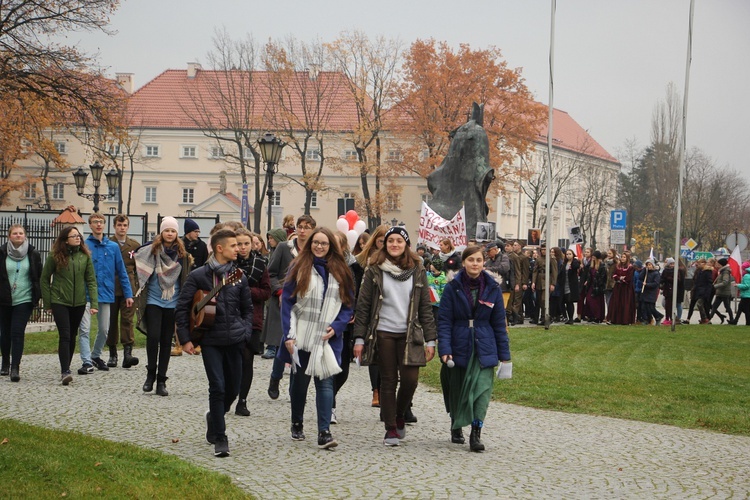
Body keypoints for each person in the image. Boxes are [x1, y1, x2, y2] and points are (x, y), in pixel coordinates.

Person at [353, 226, 437, 447]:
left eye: (399, 241)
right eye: (391, 241)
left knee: (410, 381)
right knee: (388, 381)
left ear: (406, 244)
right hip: (383, 332)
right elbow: (363, 307)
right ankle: (390, 428)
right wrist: (359, 338)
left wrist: (431, 339)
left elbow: (425, 307)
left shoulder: (417, 269)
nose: (394, 245)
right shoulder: (374, 269)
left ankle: (399, 413)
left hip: (410, 333)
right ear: (384, 244)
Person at [176, 229, 253, 457]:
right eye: (233, 246)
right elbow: (182, 308)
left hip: (236, 340)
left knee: (234, 388)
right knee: (217, 387)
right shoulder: (198, 275)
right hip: (211, 341)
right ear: (220, 248)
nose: (238, 249)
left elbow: (248, 309)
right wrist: (185, 339)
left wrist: (245, 331)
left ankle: (214, 416)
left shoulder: (239, 275)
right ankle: (221, 437)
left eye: (239, 246)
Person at [278, 227, 355, 449]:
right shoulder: (298, 266)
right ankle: (297, 422)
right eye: (316, 243)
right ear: (310, 244)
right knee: (299, 385)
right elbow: (288, 304)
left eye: (324, 243)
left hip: (327, 337)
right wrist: (289, 335)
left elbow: (348, 305)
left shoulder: (341, 271)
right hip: (302, 333)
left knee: (325, 383)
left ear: (331, 246)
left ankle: (324, 432)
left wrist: (337, 326)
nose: (319, 247)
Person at [437, 245, 511, 452]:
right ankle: (456, 424)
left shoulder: (492, 288)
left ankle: (476, 433)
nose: (475, 264)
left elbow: (498, 324)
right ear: (464, 263)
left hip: (484, 344)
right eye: (471, 260)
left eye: (479, 260)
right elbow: (444, 320)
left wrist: (505, 356)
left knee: (482, 391)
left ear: (484, 262)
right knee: (458, 389)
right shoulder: (453, 287)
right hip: (459, 342)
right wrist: (445, 348)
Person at [134, 216, 192, 396]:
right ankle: (150, 374)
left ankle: (161, 380)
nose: (170, 233)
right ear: (161, 232)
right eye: (167, 230)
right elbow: (136, 256)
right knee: (153, 337)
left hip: (172, 301)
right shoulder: (152, 250)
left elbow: (186, 279)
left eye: (173, 231)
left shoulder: (182, 256)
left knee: (166, 341)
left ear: (177, 234)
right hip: (153, 299)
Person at [77, 213, 134, 374]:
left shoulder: (113, 247)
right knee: (85, 329)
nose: (98, 225)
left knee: (104, 329)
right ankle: (86, 361)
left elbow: (122, 271)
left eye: (101, 222)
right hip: (87, 294)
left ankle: (95, 355)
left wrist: (128, 294)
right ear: (90, 225)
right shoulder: (85, 245)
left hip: (106, 292)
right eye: (95, 222)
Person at [266, 216, 316, 399]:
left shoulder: (315, 249)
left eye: (307, 227)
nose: (302, 231)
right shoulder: (284, 248)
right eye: (300, 227)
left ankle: (294, 386)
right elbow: (270, 273)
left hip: (306, 303)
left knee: (300, 343)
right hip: (284, 301)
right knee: (285, 340)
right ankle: (275, 376)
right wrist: (279, 292)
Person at [41, 226, 98, 385]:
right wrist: (48, 303)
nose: (78, 238)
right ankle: (65, 370)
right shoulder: (55, 256)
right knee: (65, 334)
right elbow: (44, 279)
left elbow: (91, 281)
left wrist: (93, 303)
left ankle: (67, 366)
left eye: (78, 235)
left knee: (72, 334)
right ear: (66, 239)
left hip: (79, 302)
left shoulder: (84, 256)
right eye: (74, 236)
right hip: (60, 301)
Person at [233, 228, 271, 417]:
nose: (242, 248)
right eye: (239, 244)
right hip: (230, 317)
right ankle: (229, 393)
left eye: (246, 243)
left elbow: (266, 292)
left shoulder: (260, 264)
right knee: (232, 360)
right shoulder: (229, 264)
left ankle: (242, 400)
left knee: (247, 360)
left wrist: (247, 290)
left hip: (252, 318)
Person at [0, 224, 42, 382]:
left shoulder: (33, 253)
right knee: (5, 333)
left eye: (21, 233)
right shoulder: (2, 252)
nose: (18, 235)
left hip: (24, 299)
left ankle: (15, 367)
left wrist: (37, 295)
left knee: (17, 332)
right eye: (15, 233)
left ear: (25, 236)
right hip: (4, 299)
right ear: (9, 236)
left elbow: (38, 274)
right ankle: (5, 362)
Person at [331, 230, 364, 425]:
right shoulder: (322, 265)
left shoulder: (354, 267)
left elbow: (359, 292)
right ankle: (329, 405)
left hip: (348, 321)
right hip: (327, 322)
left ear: (344, 246)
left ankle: (329, 395)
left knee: (343, 369)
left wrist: (354, 311)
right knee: (328, 369)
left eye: (337, 244)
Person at [355, 224, 388, 408]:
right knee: (374, 353)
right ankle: (376, 390)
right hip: (371, 311)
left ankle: (386, 390)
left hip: (388, 313)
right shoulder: (365, 262)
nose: (384, 244)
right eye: (382, 241)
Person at [107, 214, 141, 369]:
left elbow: (138, 267)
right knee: (111, 321)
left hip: (129, 287)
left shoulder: (134, 245)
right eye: (119, 225)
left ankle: (128, 352)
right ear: (114, 226)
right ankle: (112, 353)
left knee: (128, 320)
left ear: (128, 227)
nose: (122, 228)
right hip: (111, 287)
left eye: (125, 225)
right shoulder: (108, 243)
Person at [260, 227, 288, 359]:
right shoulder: (273, 252)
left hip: (287, 291)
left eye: (272, 238)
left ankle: (276, 349)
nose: (269, 240)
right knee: (273, 322)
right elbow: (271, 273)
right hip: (277, 291)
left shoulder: (283, 249)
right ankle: (271, 347)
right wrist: (278, 289)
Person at [606, 252, 636, 325]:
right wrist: (619, 278)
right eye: (622, 257)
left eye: (624, 257)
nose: (622, 258)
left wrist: (622, 279)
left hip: (626, 288)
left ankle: (625, 320)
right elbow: (615, 275)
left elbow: (628, 277)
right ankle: (614, 319)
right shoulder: (618, 266)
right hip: (618, 287)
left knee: (625, 303)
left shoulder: (630, 267)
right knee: (616, 302)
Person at [531, 243, 558, 325]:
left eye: (545, 250)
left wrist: (553, 283)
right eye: (542, 250)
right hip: (539, 279)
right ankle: (543, 318)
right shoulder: (538, 259)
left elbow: (554, 272)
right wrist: (533, 282)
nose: (543, 251)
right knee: (539, 300)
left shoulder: (551, 259)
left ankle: (546, 317)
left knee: (544, 300)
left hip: (547, 280)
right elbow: (535, 271)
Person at [581, 250, 606, 323]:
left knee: (596, 302)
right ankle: (591, 315)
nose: (593, 259)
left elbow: (602, 277)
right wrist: (587, 282)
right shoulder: (591, 266)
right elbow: (589, 276)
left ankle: (597, 317)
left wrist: (599, 284)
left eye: (594, 257)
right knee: (589, 300)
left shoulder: (601, 266)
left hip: (597, 286)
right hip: (591, 285)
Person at [708, 258, 735, 324]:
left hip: (724, 292)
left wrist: (715, 286)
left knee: (726, 307)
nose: (717, 264)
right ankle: (708, 319)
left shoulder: (725, 272)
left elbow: (725, 282)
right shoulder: (722, 271)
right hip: (720, 292)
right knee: (715, 306)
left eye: (718, 263)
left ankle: (732, 320)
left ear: (721, 265)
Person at [659, 257, 684, 325]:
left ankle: (674, 318)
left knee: (675, 305)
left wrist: (669, 279)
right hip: (667, 290)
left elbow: (678, 280)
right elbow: (661, 279)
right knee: (667, 305)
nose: (672, 265)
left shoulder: (677, 271)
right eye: (671, 264)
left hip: (674, 291)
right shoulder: (665, 270)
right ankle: (667, 318)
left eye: (673, 264)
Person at [558, 248, 580, 325]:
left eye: (570, 254)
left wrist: (575, 260)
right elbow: (561, 273)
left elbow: (576, 267)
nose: (568, 256)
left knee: (570, 301)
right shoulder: (564, 263)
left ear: (573, 255)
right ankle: (566, 316)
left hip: (572, 285)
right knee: (563, 302)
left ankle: (571, 318)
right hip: (564, 284)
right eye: (567, 254)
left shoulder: (575, 262)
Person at [640, 259, 663, 325]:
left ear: (653, 265)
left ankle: (658, 316)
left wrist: (647, 284)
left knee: (651, 307)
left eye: (650, 265)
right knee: (644, 307)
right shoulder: (646, 272)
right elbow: (640, 277)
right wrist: (644, 270)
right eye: (647, 265)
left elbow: (656, 283)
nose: (648, 266)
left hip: (652, 292)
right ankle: (646, 319)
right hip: (645, 292)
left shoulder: (656, 273)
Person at [692, 259, 714, 324]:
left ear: (704, 263)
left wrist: (707, 292)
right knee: (703, 305)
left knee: (699, 304)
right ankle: (704, 318)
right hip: (700, 290)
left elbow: (709, 283)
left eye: (700, 263)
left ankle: (704, 318)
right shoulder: (701, 271)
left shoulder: (707, 271)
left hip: (704, 291)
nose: (698, 264)